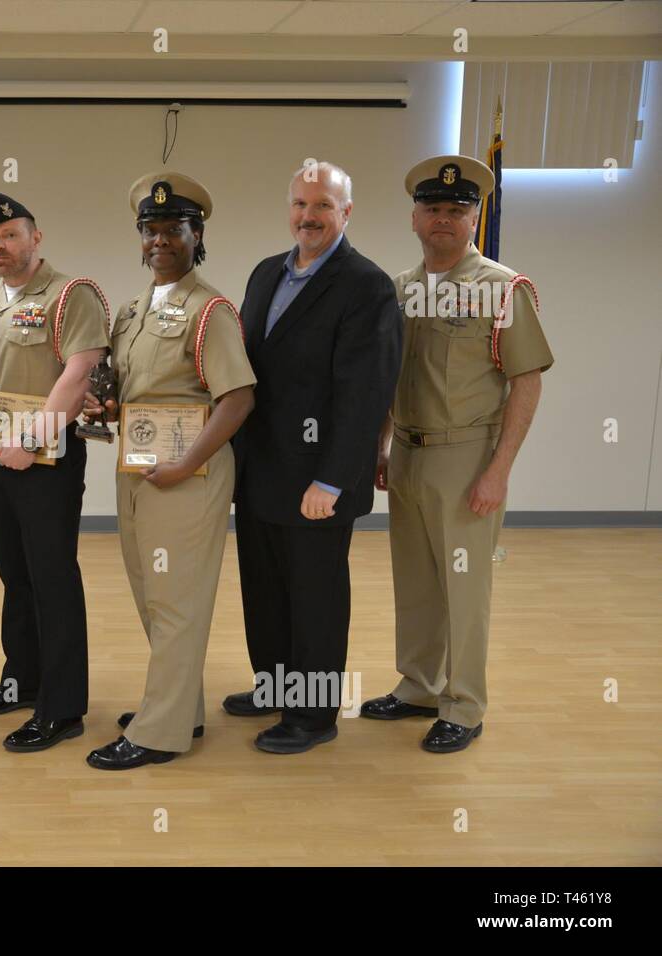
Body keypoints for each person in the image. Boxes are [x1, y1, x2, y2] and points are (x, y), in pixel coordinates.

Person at [360, 155, 553, 753]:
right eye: (433, 208)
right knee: (416, 580)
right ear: (414, 217)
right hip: (410, 454)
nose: (444, 218)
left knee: (465, 588)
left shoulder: (502, 288)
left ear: (475, 217)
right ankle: (419, 685)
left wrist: (499, 470)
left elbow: (527, 380)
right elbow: (393, 375)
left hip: (467, 455)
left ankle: (464, 704)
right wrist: (384, 443)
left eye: (458, 209)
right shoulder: (400, 289)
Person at [224, 161, 402, 754]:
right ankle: (276, 686)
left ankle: (313, 714)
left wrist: (332, 478)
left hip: (318, 479)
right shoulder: (265, 273)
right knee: (266, 588)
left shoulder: (366, 285)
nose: (309, 216)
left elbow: (366, 392)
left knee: (315, 597)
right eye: (301, 204)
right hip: (260, 471)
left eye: (323, 205)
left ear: (346, 213)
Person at [81, 172, 256, 770]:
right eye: (150, 230)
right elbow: (131, 390)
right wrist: (102, 407)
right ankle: (183, 705)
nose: (159, 239)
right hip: (138, 472)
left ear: (195, 234)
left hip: (190, 477)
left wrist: (186, 465)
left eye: (172, 229)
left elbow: (237, 399)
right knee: (153, 595)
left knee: (177, 599)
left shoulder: (210, 310)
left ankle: (160, 732)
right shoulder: (131, 311)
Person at [0, 192, 109, 753]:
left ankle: (62, 709)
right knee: (14, 574)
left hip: (47, 463)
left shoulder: (70, 295)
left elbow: (80, 372)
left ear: (36, 238)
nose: (0, 246)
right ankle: (22, 681)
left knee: (52, 577)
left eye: (11, 235)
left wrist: (34, 437)